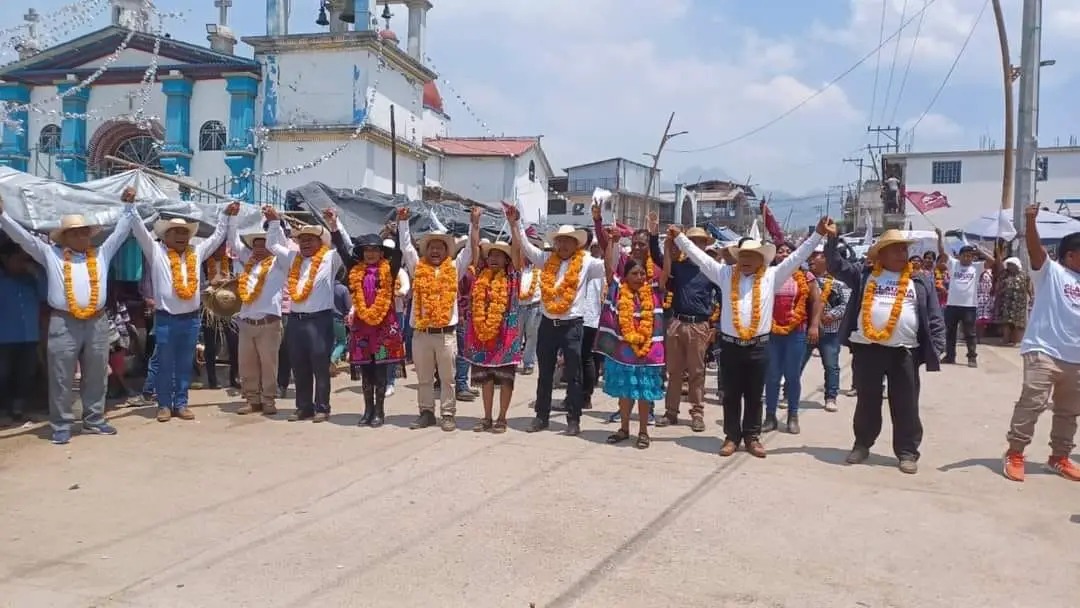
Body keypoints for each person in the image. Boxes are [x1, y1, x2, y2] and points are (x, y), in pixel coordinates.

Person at [672, 218, 827, 458]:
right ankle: (731, 437)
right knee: (731, 394)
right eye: (741, 255)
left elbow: (797, 257)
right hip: (731, 347)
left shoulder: (772, 276)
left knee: (755, 395)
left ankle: (752, 437)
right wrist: (679, 238)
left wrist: (817, 234)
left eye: (750, 256)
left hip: (759, 346)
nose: (744, 260)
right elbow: (700, 258)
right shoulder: (724, 274)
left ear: (761, 259)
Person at [0, 188, 136, 444]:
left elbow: (120, 232)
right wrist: (4, 217)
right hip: (63, 320)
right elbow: (23, 240)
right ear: (65, 237)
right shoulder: (50, 254)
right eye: (76, 232)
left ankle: (94, 419)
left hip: (97, 320)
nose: (83, 235)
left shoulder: (101, 254)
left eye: (85, 231)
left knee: (96, 372)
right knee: (61, 374)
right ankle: (61, 423)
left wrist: (129, 206)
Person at [826, 227, 945, 475]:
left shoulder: (920, 281)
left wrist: (938, 345)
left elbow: (934, 317)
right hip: (868, 349)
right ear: (881, 255)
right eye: (897, 249)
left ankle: (907, 452)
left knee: (906, 404)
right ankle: (862, 444)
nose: (903, 254)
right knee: (867, 401)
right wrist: (831, 238)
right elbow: (836, 265)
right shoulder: (864, 275)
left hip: (904, 352)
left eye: (905, 249)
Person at [132, 200, 238, 423]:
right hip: (165, 319)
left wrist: (227, 217)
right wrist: (129, 206)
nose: (181, 236)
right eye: (176, 232)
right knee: (164, 363)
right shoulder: (156, 252)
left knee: (183, 363)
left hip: (191, 320)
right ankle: (163, 405)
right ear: (165, 237)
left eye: (184, 232)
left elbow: (218, 236)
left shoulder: (196, 252)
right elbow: (139, 230)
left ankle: (181, 403)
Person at [508, 205, 606, 436]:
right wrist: (516, 223)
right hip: (548, 325)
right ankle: (541, 417)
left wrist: (606, 236)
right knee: (545, 373)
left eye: (568, 241)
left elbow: (610, 265)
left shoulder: (587, 263)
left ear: (577, 244)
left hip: (572, 326)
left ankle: (573, 419)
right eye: (559, 241)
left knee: (573, 374)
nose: (562, 245)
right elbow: (525, 246)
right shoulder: (545, 259)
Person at [1002, 206, 1080, 482]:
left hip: (1075, 359)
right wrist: (1031, 221)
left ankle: (1059, 457)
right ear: (1071, 254)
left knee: (1069, 412)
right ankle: (1015, 453)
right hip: (1044, 350)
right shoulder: (1051, 272)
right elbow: (1035, 250)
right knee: (1032, 403)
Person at [397, 207, 473, 431]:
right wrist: (403, 222)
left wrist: (474, 224)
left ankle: (448, 414)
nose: (436, 251)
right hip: (421, 334)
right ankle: (426, 412)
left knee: (448, 379)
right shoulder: (417, 267)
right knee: (424, 378)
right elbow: (406, 247)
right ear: (426, 250)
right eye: (432, 247)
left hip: (446, 334)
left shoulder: (453, 268)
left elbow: (468, 252)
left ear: (447, 251)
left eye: (440, 247)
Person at [597, 232, 666, 449]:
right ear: (625, 276)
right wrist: (611, 243)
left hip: (647, 351)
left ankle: (643, 432)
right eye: (634, 273)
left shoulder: (654, 292)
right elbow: (609, 268)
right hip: (623, 351)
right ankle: (624, 428)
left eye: (642, 274)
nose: (639, 277)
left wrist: (669, 243)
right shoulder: (618, 290)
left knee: (645, 394)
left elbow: (665, 274)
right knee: (625, 393)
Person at [333, 226, 405, 428]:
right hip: (362, 330)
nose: (371, 253)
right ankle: (367, 410)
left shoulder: (389, 270)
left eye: (375, 250)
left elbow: (399, 253)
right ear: (362, 253)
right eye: (367, 250)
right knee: (366, 373)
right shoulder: (354, 271)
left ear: (382, 253)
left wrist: (401, 226)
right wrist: (333, 227)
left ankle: (379, 412)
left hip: (383, 331)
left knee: (380, 372)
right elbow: (342, 250)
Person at [649, 222, 717, 432]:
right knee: (674, 371)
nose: (696, 245)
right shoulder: (678, 267)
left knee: (697, 372)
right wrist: (654, 236)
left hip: (699, 325)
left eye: (700, 242)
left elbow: (724, 296)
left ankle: (697, 413)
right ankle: (671, 412)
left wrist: (715, 326)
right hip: (677, 323)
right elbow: (659, 259)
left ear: (706, 245)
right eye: (693, 241)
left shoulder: (711, 269)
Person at [281, 209, 347, 423]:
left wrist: (334, 224)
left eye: (310, 239)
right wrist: (273, 222)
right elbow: (273, 245)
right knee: (299, 366)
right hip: (295, 321)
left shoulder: (329, 258)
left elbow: (346, 248)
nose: (306, 244)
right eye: (302, 240)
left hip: (319, 321)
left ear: (321, 242)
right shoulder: (293, 259)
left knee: (320, 366)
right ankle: (303, 408)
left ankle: (322, 407)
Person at [229, 207, 291, 416]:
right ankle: (252, 400)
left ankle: (269, 400)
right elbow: (233, 241)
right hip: (246, 323)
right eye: (254, 244)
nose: (258, 248)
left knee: (268, 364)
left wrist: (274, 223)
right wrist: (232, 217)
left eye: (263, 244)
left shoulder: (279, 263)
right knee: (247, 365)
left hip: (269, 323)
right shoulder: (247, 264)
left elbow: (281, 245)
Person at [464, 222, 523, 433]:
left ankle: (502, 418)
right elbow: (474, 248)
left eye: (499, 255)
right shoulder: (480, 274)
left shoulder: (512, 276)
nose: (494, 259)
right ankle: (487, 417)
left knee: (506, 380)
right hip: (482, 337)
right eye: (491, 255)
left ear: (507, 259)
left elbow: (518, 250)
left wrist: (514, 224)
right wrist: (475, 223)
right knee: (485, 379)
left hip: (506, 336)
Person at [763, 241, 822, 435]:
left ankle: (792, 416)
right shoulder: (767, 274)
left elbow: (816, 302)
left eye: (789, 251)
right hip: (771, 333)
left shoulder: (806, 276)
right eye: (780, 251)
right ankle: (770, 416)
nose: (784, 254)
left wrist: (814, 326)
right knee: (772, 376)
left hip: (796, 332)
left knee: (792, 376)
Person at [0, 241, 46, 426]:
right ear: (6, 259)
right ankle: (4, 410)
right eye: (18, 259)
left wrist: (36, 274)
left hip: (29, 336)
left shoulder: (31, 280)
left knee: (25, 374)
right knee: (3, 374)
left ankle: (19, 409)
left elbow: (45, 296)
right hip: (5, 337)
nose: (22, 263)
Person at [801, 249, 849, 412]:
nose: (812, 259)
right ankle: (788, 394)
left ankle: (831, 397)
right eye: (811, 256)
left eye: (817, 256)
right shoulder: (804, 280)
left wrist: (832, 315)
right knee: (797, 364)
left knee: (831, 366)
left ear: (827, 261)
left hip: (830, 332)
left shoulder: (839, 283)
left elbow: (846, 304)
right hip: (807, 331)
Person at [937, 233, 991, 368]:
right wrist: (939, 237)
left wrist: (980, 251)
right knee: (950, 332)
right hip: (952, 305)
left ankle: (972, 357)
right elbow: (942, 253)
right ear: (959, 256)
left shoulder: (976, 267)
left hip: (969, 306)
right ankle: (950, 356)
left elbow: (992, 261)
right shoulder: (953, 264)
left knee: (970, 333)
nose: (967, 258)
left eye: (970, 256)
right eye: (965, 255)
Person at [202, 242, 239, 389]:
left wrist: (229, 281)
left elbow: (237, 280)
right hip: (209, 307)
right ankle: (212, 380)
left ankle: (234, 378)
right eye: (216, 247)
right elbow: (196, 283)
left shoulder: (230, 262)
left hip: (228, 307)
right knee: (210, 345)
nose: (219, 250)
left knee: (233, 342)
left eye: (222, 247)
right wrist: (210, 282)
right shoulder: (202, 262)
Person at [516, 236, 543, 376]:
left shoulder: (540, 270)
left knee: (532, 336)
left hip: (534, 306)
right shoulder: (518, 270)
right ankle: (514, 361)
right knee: (516, 336)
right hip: (519, 306)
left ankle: (528, 363)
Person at [996, 257, 1030, 346]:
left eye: (1011, 265)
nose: (1009, 267)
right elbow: (999, 287)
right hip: (1006, 302)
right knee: (1006, 322)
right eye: (1008, 265)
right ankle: (1005, 340)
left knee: (1017, 322)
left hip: (1019, 303)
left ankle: (1015, 341)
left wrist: (1032, 297)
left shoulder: (1024, 275)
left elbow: (1029, 288)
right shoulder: (1004, 275)